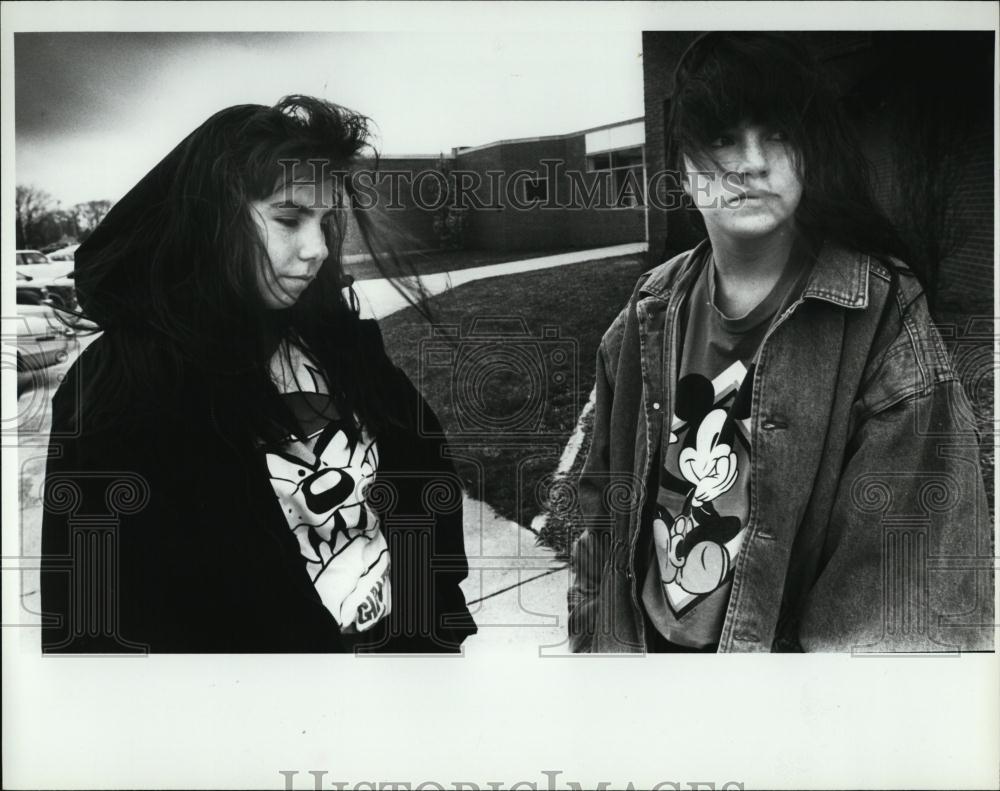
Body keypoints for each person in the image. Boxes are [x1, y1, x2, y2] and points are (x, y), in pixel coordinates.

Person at [568, 33, 992, 653]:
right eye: (720, 139)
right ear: (684, 168)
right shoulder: (647, 312)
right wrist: (598, 653)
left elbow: (899, 607)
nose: (750, 162)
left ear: (810, 154)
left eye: (776, 134)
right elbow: (602, 516)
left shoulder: (881, 317)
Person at [40, 96, 476, 653]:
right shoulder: (121, 387)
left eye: (325, 222)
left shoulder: (336, 339)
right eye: (289, 218)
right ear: (211, 218)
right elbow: (90, 617)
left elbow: (425, 479)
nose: (316, 249)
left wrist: (432, 627)